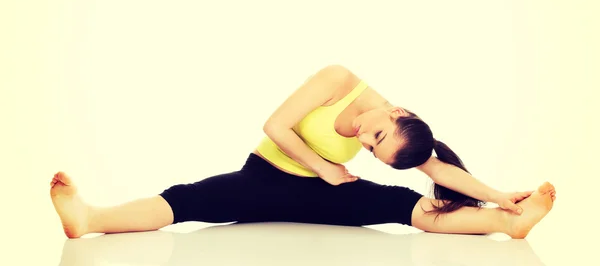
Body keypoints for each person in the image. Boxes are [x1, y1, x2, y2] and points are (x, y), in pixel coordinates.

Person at [50, 64, 555, 239]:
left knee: (410, 209)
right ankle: (87, 219)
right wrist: (326, 168)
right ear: (396, 110)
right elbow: (275, 124)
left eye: (371, 151)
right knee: (185, 200)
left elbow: (439, 167)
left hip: (324, 194)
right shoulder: (340, 81)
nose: (362, 140)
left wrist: (498, 195)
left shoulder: (402, 136)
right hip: (263, 178)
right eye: (374, 137)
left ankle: (507, 224)